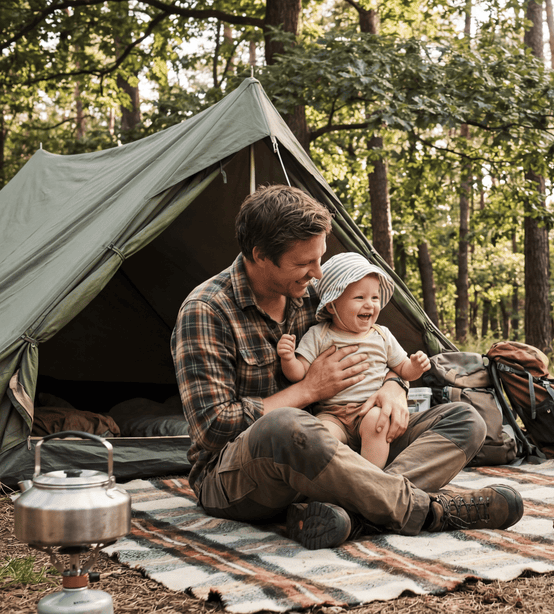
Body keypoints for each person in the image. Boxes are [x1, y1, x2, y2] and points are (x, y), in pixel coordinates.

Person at [171, 184, 523, 550]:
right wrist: (307, 391)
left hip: (344, 447)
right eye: (304, 263)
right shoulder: (206, 310)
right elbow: (213, 427)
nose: (318, 273)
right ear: (260, 255)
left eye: (319, 259)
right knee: (284, 425)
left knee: (465, 420)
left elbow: (373, 346)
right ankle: (431, 511)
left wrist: (392, 386)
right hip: (239, 475)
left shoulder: (319, 296)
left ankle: (352, 512)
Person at [277, 252, 431, 469]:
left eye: (375, 298)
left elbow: (404, 370)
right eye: (359, 298)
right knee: (319, 435)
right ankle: (341, 478)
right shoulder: (319, 335)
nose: (369, 305)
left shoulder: (382, 335)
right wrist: (287, 358)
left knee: (378, 423)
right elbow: (298, 373)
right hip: (333, 415)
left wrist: (416, 366)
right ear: (332, 306)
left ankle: (372, 475)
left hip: (368, 409)